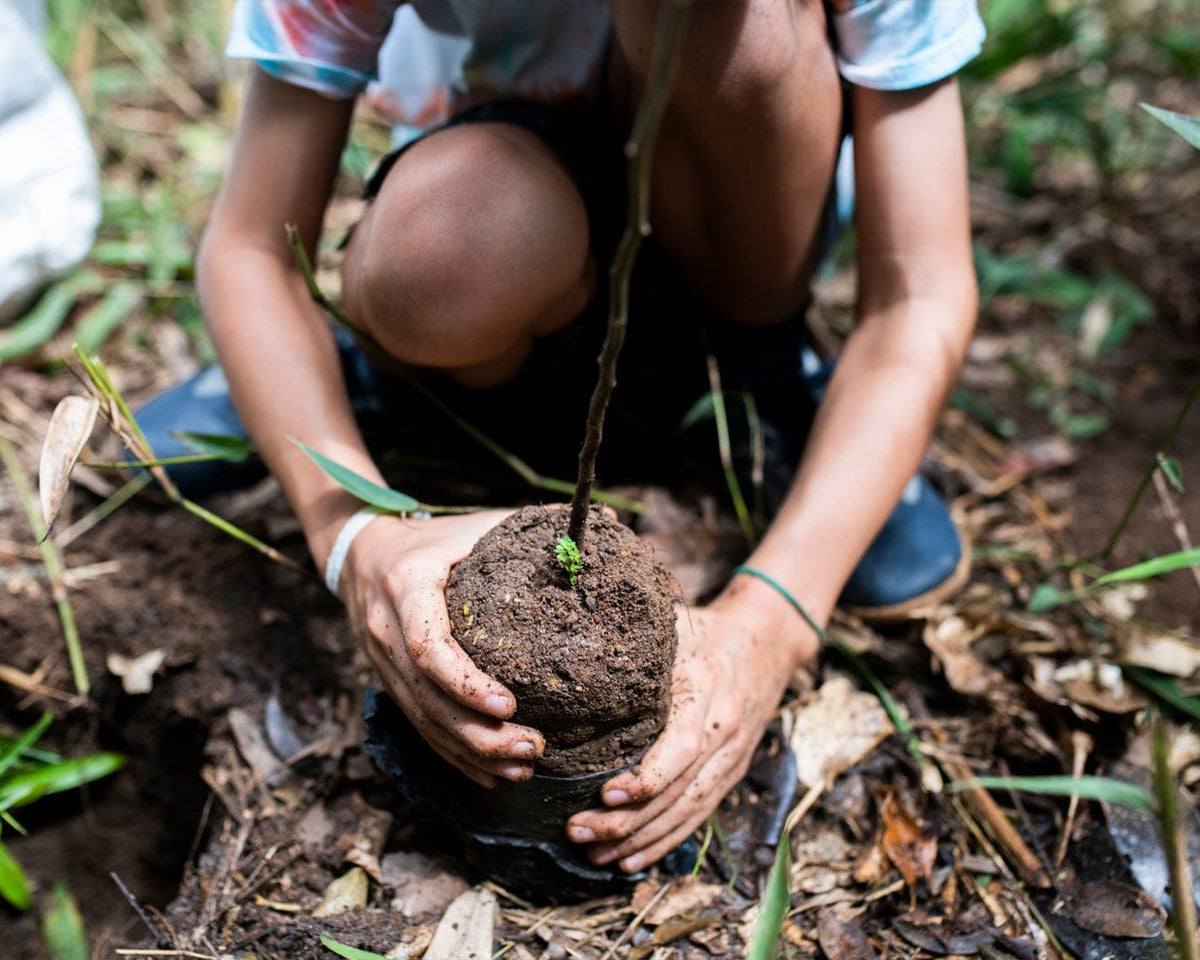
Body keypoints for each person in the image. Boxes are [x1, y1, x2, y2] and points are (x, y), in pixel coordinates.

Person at [139, 0, 983, 875]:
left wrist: (776, 614)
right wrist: (351, 526)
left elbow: (918, 294)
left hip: (741, 234)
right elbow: (253, 249)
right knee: (445, 252)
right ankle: (374, 370)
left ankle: (761, 379)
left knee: (735, 29)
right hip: (504, 208)